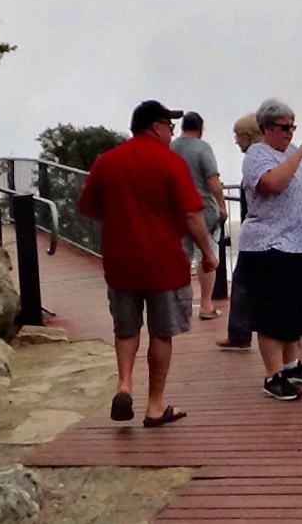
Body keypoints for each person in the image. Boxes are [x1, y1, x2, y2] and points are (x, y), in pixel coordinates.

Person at [77, 99, 218, 428]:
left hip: (120, 262)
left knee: (126, 331)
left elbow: (88, 207)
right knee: (161, 334)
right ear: (156, 126)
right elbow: (192, 215)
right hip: (164, 263)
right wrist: (208, 254)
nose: (171, 133)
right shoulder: (170, 163)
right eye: (169, 126)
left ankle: (124, 384)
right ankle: (154, 406)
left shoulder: (107, 161)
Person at [239, 98, 302, 401]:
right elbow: (272, 184)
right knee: (272, 314)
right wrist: (301, 152)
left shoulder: (293, 153)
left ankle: (291, 365)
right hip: (270, 245)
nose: (290, 133)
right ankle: (273, 375)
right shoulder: (257, 154)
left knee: (295, 311)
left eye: (292, 127)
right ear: (267, 127)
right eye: (284, 127)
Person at [170, 111, 228, 320]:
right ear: (201, 129)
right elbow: (212, 179)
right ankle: (206, 304)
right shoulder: (203, 148)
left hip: (176, 211)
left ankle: (177, 306)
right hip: (203, 211)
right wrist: (221, 205)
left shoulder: (171, 148)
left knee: (182, 257)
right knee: (207, 255)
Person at [215, 113, 263, 351]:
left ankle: (240, 333)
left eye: (237, 136)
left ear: (247, 135)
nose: (235, 141)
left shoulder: (256, 159)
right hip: (262, 233)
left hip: (258, 234)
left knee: (242, 283)